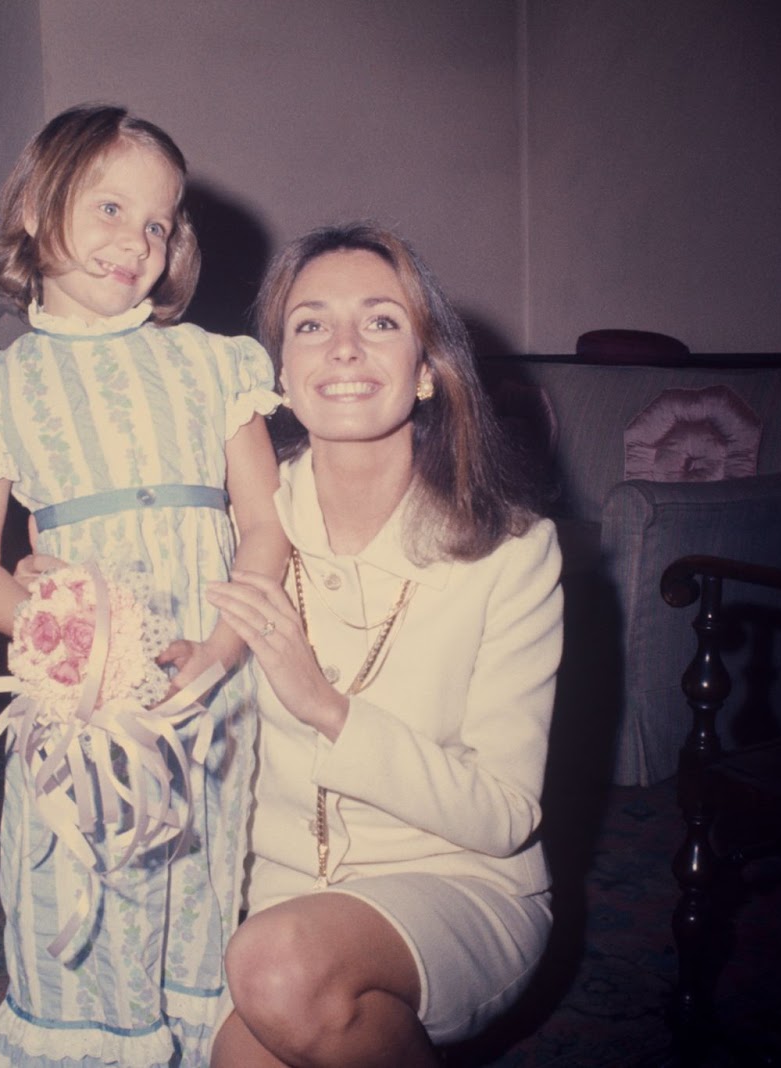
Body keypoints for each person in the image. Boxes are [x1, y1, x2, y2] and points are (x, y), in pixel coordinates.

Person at [0, 104, 287, 1067]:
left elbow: (264, 527)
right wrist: (61, 628)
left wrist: (223, 647)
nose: (138, 240)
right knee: (84, 864)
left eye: (160, 222)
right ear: (41, 210)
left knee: (204, 860)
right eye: (112, 208)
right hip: (88, 690)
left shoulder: (215, 365)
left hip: (211, 669)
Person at [204, 222, 563, 1066]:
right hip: (279, 892)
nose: (345, 349)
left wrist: (327, 709)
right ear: (280, 379)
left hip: (461, 882)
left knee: (278, 968)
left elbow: (505, 813)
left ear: (430, 370)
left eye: (382, 321)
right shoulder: (232, 531)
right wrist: (65, 590)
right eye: (311, 324)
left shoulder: (513, 550)